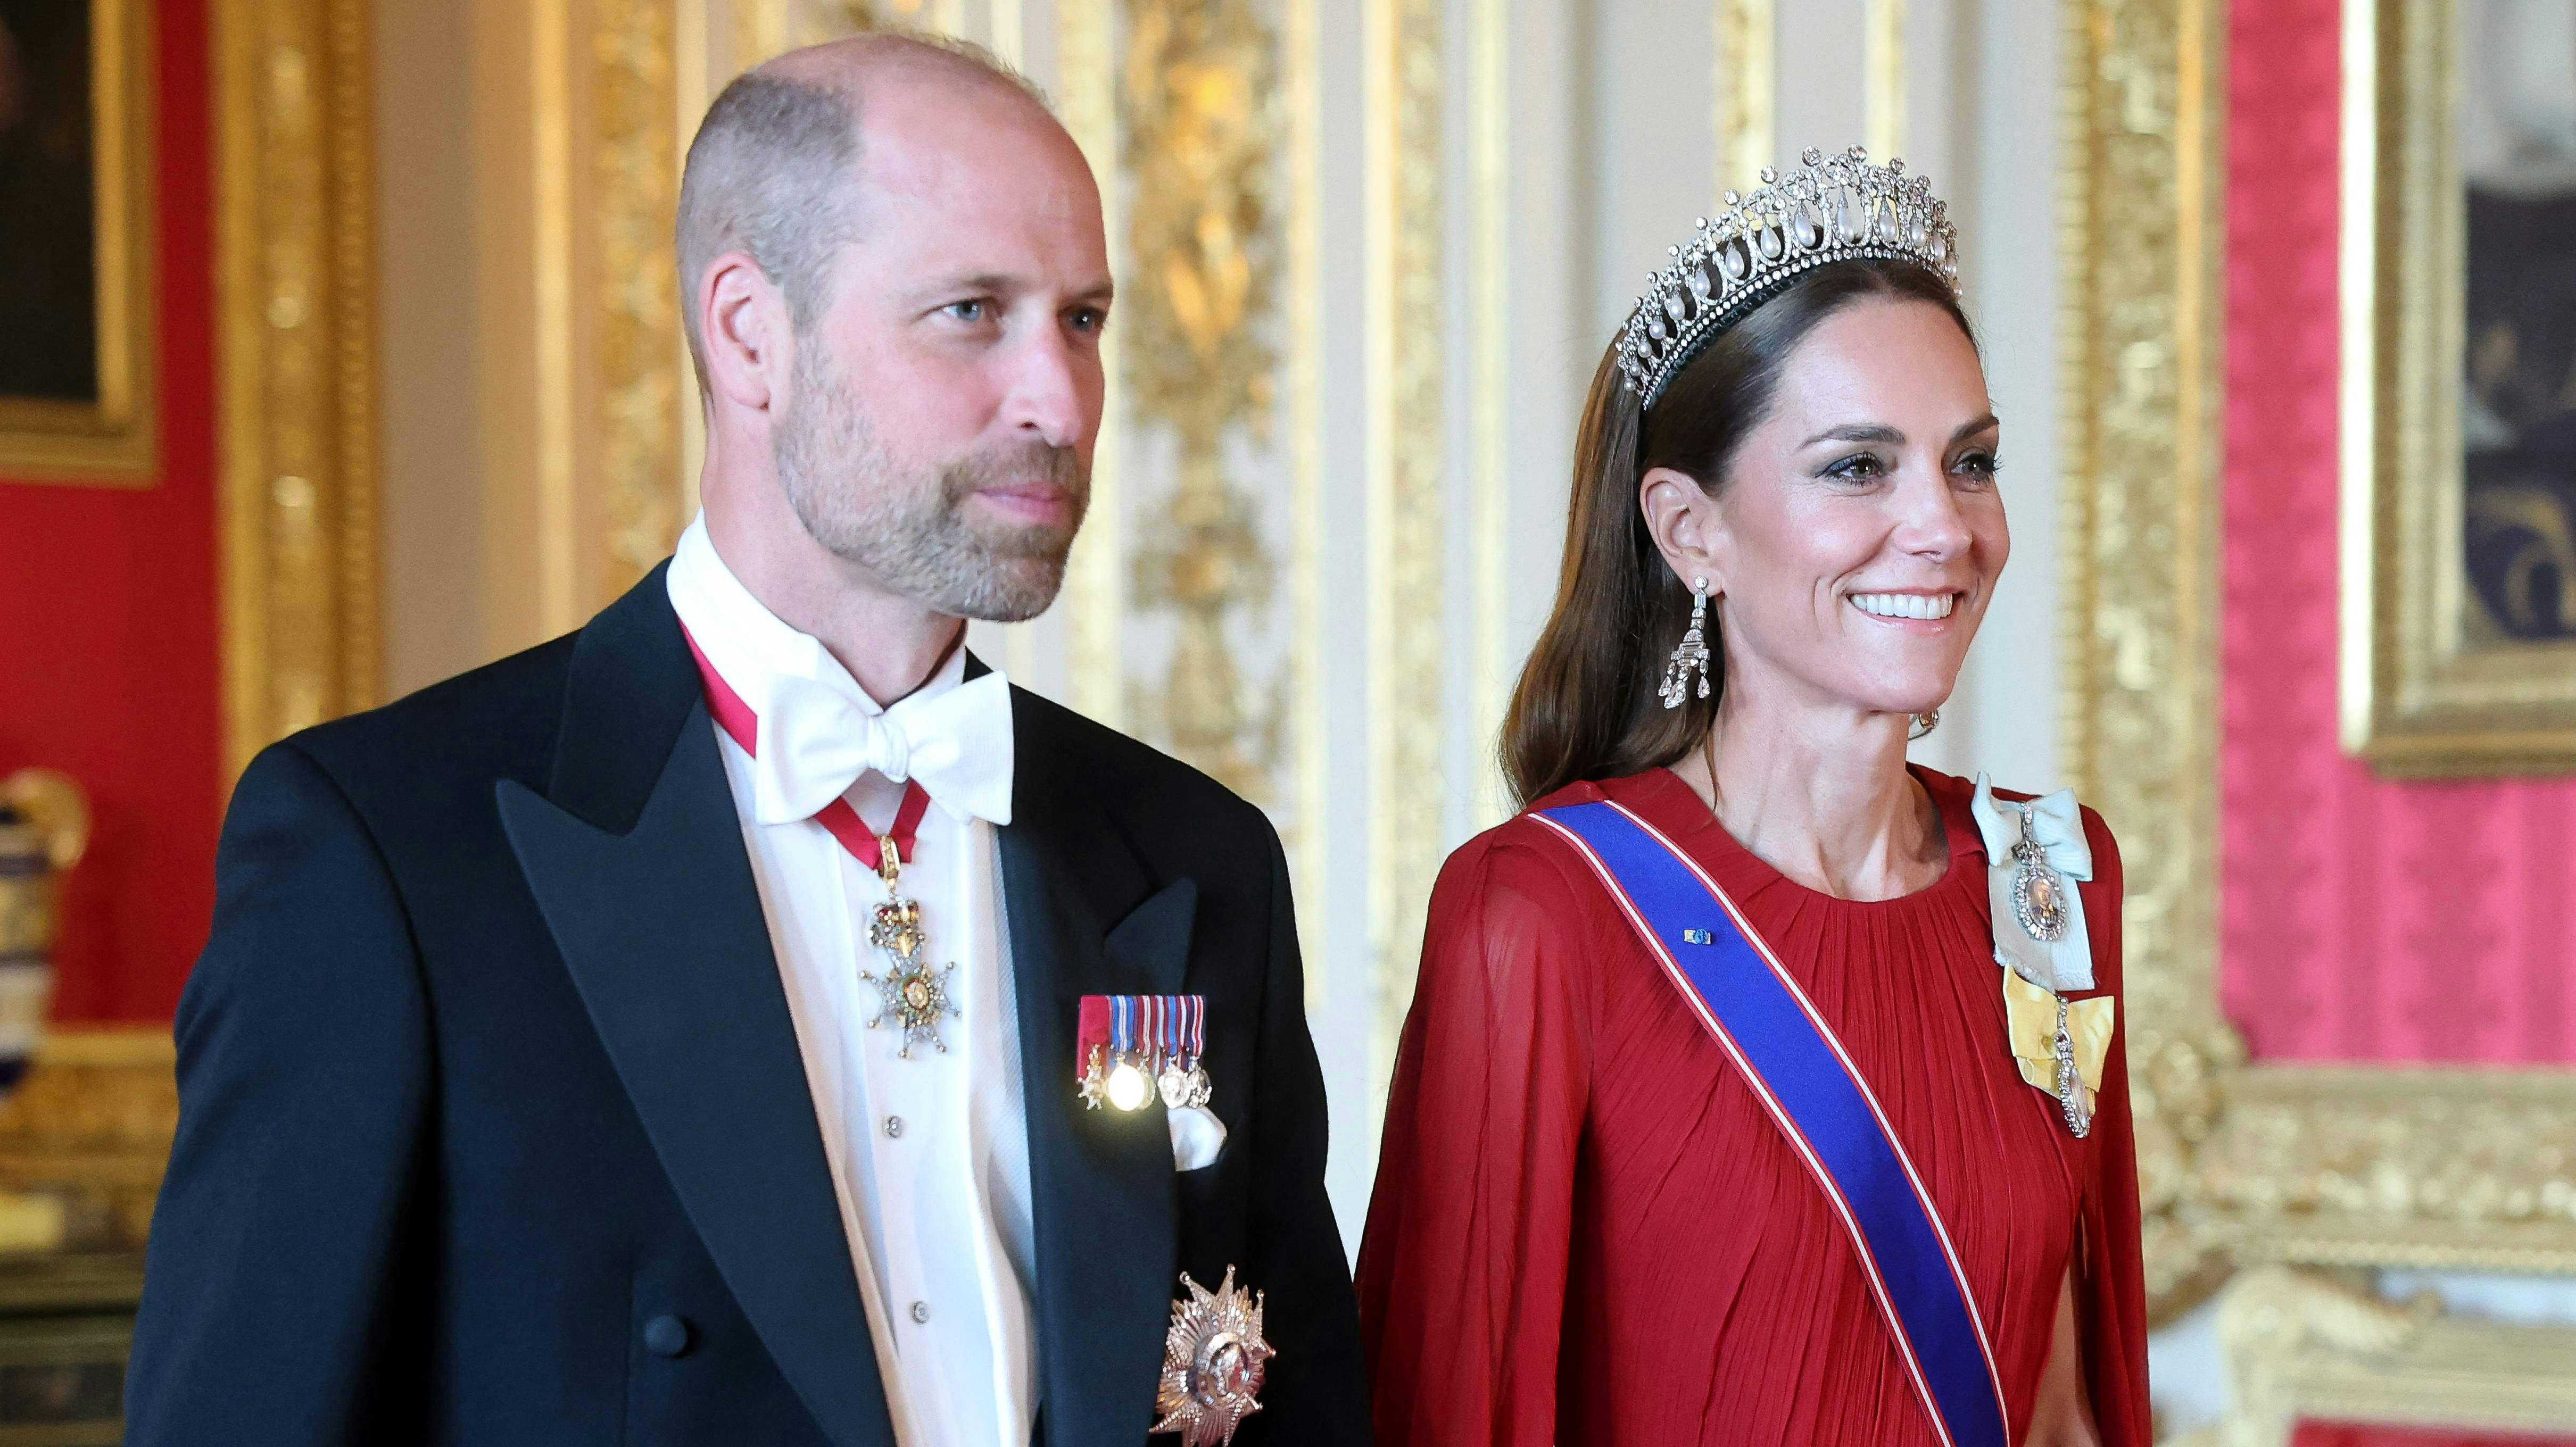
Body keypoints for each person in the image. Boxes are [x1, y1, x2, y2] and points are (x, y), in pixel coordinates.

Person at [126, 35, 1366, 1447]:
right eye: (972, 312)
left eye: (1081, 320)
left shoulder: (1191, 854)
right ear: (748, 332)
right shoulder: (389, 851)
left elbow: (1290, 1400)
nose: (1058, 402)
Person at [1357, 148, 2149, 1447]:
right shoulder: (1543, 912)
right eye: (1857, 466)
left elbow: (2063, 1406)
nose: (1943, 526)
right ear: (1690, 531)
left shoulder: (2051, 873)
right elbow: (1462, 1411)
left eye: (1971, 461)